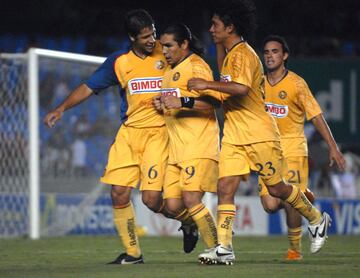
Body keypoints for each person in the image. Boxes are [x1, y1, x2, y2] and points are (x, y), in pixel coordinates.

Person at [44, 9, 198, 265]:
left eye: (154, 34)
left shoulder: (167, 52)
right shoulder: (119, 62)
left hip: (158, 134)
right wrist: (61, 108)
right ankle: (133, 253)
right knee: (118, 193)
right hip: (129, 134)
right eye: (146, 36)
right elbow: (88, 87)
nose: (152, 40)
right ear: (132, 37)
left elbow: (194, 62)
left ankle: (188, 221)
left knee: (150, 200)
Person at [187, 0, 335, 265]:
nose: (210, 29)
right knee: (225, 187)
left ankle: (315, 218)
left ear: (230, 27)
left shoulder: (244, 54)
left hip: (259, 133)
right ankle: (225, 247)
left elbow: (241, 89)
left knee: (277, 189)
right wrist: (219, 45)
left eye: (216, 25)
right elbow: (225, 80)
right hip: (233, 133)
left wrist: (203, 83)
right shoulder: (231, 53)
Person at [259, 35, 346, 260]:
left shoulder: (296, 84)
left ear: (285, 55)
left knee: (288, 200)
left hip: (293, 148)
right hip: (267, 150)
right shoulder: (258, 83)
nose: (269, 56)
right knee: (269, 204)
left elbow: (316, 117)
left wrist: (333, 147)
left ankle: (294, 251)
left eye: (275, 52)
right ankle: (304, 198)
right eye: (267, 52)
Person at [153, 23, 220, 260]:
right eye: (162, 46)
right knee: (172, 206)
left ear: (184, 44)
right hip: (176, 149)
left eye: (169, 46)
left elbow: (214, 102)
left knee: (191, 198)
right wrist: (163, 105)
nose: (165, 51)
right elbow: (174, 104)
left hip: (198, 145)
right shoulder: (169, 72)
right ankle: (191, 224)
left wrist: (183, 102)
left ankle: (217, 249)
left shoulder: (196, 66)